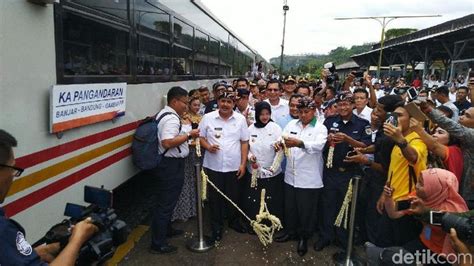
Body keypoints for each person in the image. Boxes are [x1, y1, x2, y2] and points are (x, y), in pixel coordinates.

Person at [0, 129, 98, 265]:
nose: (13, 177)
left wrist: (35, 254)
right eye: (12, 169)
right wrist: (77, 239)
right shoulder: (3, 231)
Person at [366, 168, 469, 265]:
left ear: (434, 188)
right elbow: (393, 214)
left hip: (443, 254)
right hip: (424, 241)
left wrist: (425, 212)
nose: (417, 186)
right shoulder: (418, 197)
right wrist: (388, 198)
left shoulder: (455, 211)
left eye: (421, 184)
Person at [315, 91, 372, 251]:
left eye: (346, 104)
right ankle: (326, 236)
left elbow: (367, 147)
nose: (343, 107)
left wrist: (348, 140)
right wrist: (326, 140)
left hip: (350, 173)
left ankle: (343, 239)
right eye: (340, 104)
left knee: (346, 206)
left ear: (353, 105)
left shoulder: (363, 124)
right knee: (327, 205)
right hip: (331, 172)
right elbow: (320, 143)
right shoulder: (330, 121)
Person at [150, 86, 200, 254]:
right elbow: (167, 142)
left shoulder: (164, 114)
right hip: (169, 166)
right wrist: (189, 135)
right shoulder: (171, 118)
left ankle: (166, 230)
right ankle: (158, 243)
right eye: (184, 103)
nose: (186, 106)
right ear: (174, 101)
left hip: (167, 165)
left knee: (167, 201)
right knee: (165, 203)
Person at [278, 97, 328, 256]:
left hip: (309, 178)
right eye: (300, 112)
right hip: (291, 175)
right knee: (291, 207)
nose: (303, 115)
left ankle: (304, 238)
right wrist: (278, 143)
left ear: (314, 111)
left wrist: (299, 143)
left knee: (306, 211)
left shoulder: (320, 128)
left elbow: (318, 146)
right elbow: (282, 137)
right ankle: (290, 232)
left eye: (307, 111)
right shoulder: (292, 124)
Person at [199, 88, 250, 242]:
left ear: (234, 103)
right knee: (215, 199)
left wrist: (243, 164)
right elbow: (200, 137)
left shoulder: (240, 119)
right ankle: (217, 227)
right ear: (218, 102)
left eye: (229, 101)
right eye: (223, 101)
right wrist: (208, 147)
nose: (225, 104)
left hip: (234, 166)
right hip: (213, 166)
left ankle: (234, 222)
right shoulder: (208, 118)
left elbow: (244, 142)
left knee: (233, 196)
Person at [375, 104, 428, 247]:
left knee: (400, 249)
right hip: (391, 201)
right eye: (394, 115)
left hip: (406, 207)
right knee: (384, 244)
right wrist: (383, 194)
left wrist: (400, 141)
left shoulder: (417, 141)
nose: (395, 118)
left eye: (400, 115)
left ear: (411, 121)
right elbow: (394, 171)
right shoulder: (399, 141)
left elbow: (413, 156)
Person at [419, 101, 474, 209]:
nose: (461, 117)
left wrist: (430, 111)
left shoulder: (471, 135)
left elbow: (450, 126)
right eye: (463, 113)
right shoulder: (459, 140)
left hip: (468, 195)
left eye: (467, 116)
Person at [243, 102, 284, 233]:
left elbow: (281, 149)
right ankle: (256, 225)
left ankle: (272, 225)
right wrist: (250, 158)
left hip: (272, 171)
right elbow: (246, 148)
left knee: (271, 199)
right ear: (257, 115)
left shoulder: (276, 128)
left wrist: (273, 167)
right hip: (254, 171)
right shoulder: (250, 129)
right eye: (261, 114)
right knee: (254, 199)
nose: (265, 117)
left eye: (267, 114)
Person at [172, 97, 203, 222]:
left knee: (195, 181)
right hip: (186, 153)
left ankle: (193, 209)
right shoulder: (181, 119)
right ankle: (183, 211)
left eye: (198, 105)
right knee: (186, 182)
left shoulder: (200, 117)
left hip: (196, 153)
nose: (196, 107)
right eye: (193, 105)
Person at [410, 118, 463, 182]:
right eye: (434, 132)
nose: (434, 135)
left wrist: (419, 130)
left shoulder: (454, 151)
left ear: (451, 139)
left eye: (440, 132)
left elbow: (434, 146)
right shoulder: (427, 148)